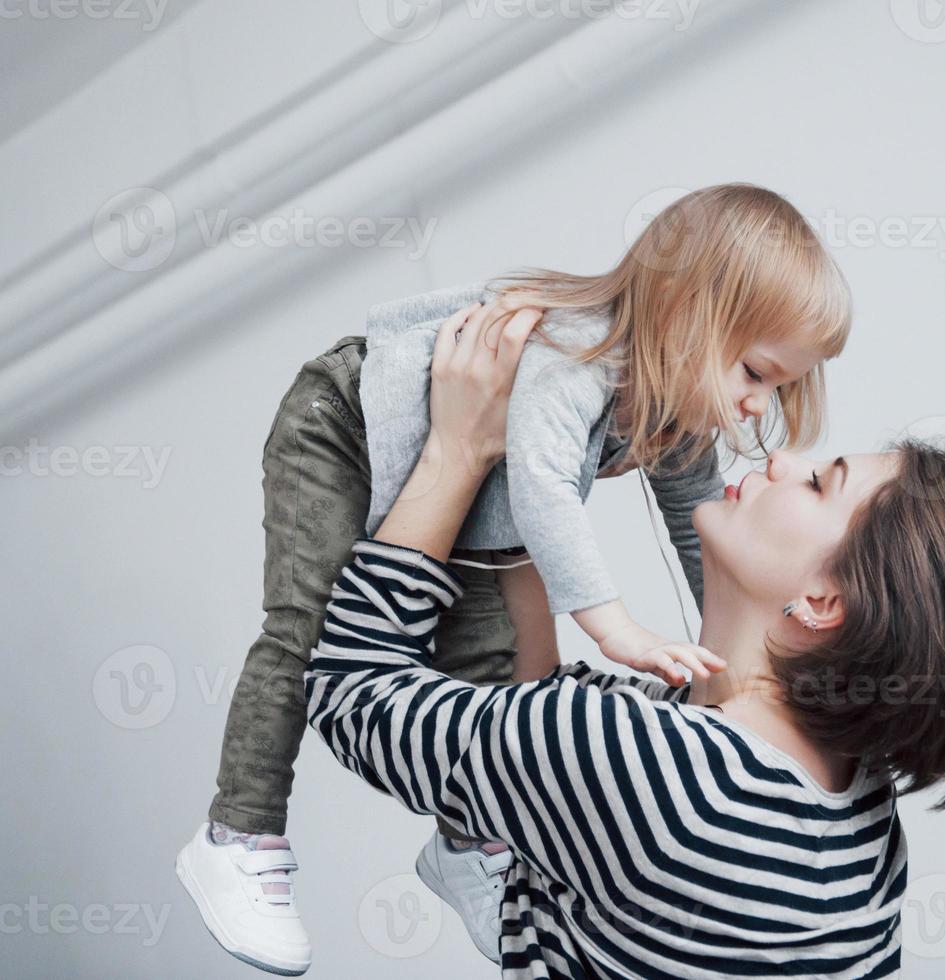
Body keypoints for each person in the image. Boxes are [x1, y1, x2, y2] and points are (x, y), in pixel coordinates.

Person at [175, 184, 853, 975]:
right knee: (307, 629)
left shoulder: (679, 414)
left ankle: (470, 844)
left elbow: (701, 537)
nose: (755, 406)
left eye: (774, 387)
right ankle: (238, 833)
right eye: (753, 371)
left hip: (466, 494)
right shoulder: (578, 357)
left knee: (502, 668)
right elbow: (542, 492)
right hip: (346, 428)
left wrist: (737, 680)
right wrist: (615, 625)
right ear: (686, 309)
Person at [304, 305, 945, 976]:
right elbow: (544, 729)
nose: (784, 460)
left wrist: (459, 449)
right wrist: (531, 493)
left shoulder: (666, 776)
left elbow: (346, 688)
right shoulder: (855, 812)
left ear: (823, 601)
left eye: (822, 483)